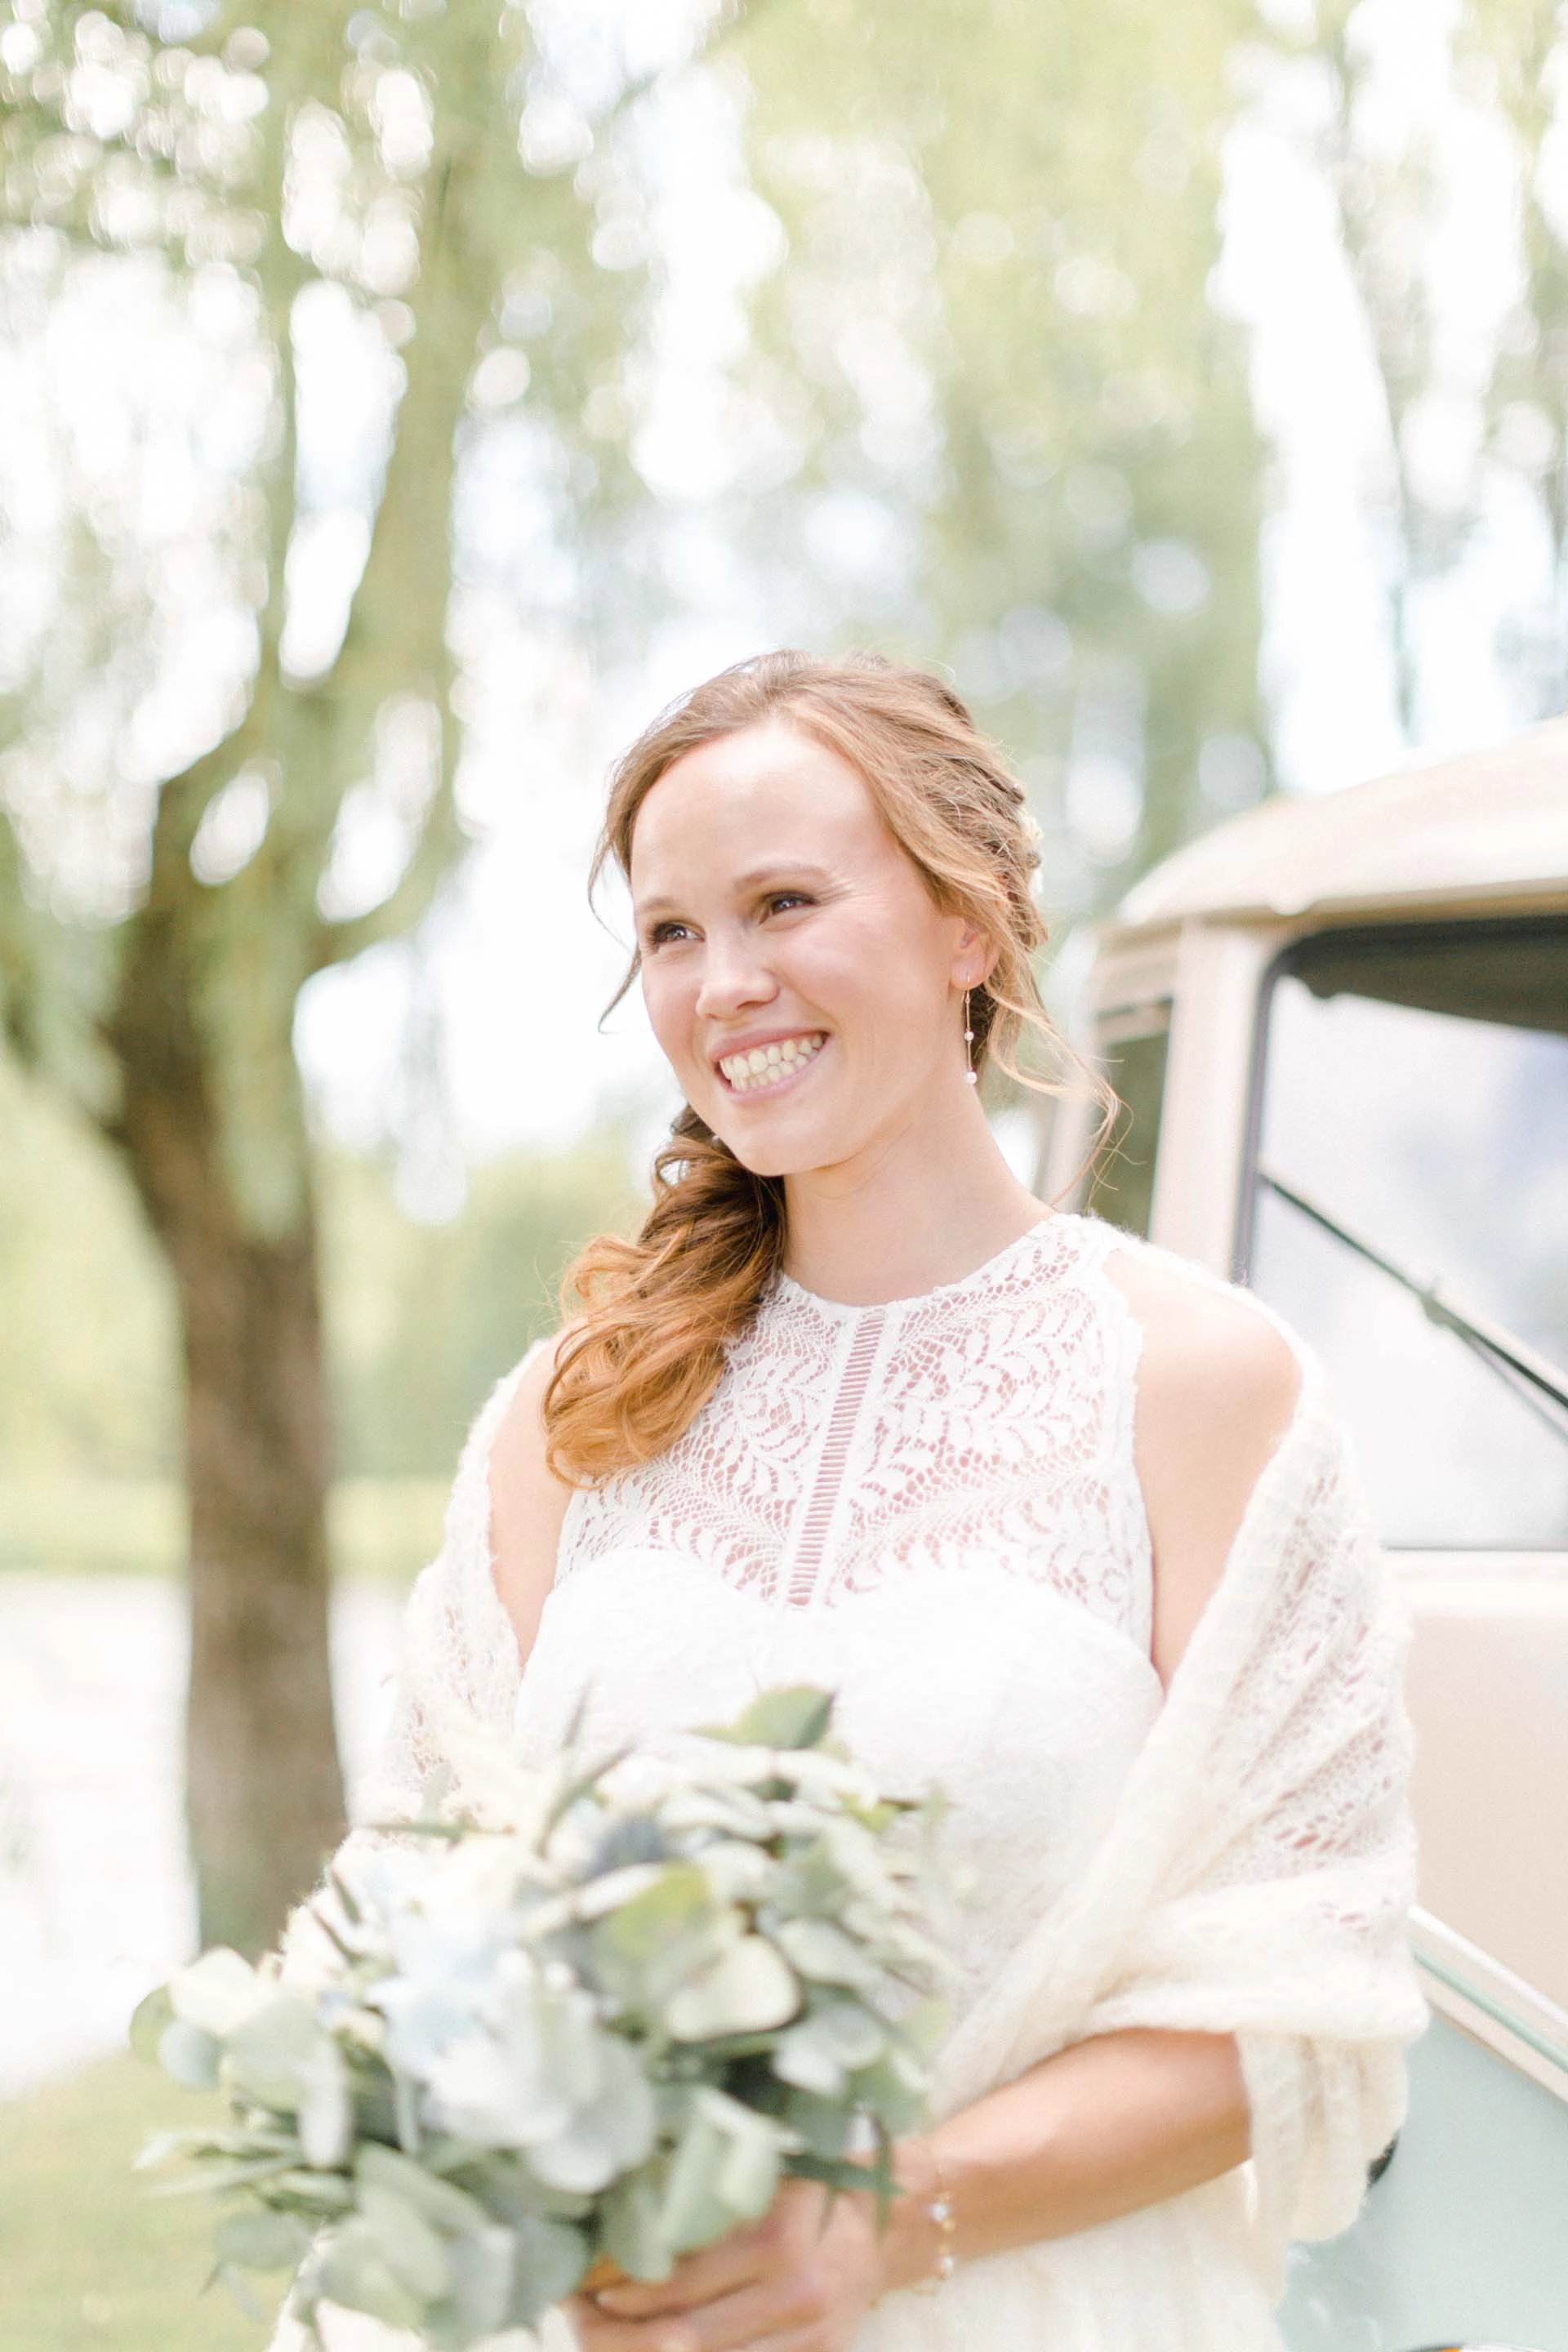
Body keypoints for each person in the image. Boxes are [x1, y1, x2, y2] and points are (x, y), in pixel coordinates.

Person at [317, 650, 1424, 2352]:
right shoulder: (570, 1417)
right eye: (673, 932)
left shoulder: (1206, 1393)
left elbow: (1298, 1990)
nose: (725, 983)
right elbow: (413, 1917)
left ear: (965, 926)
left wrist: (880, 2222)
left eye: (783, 903)